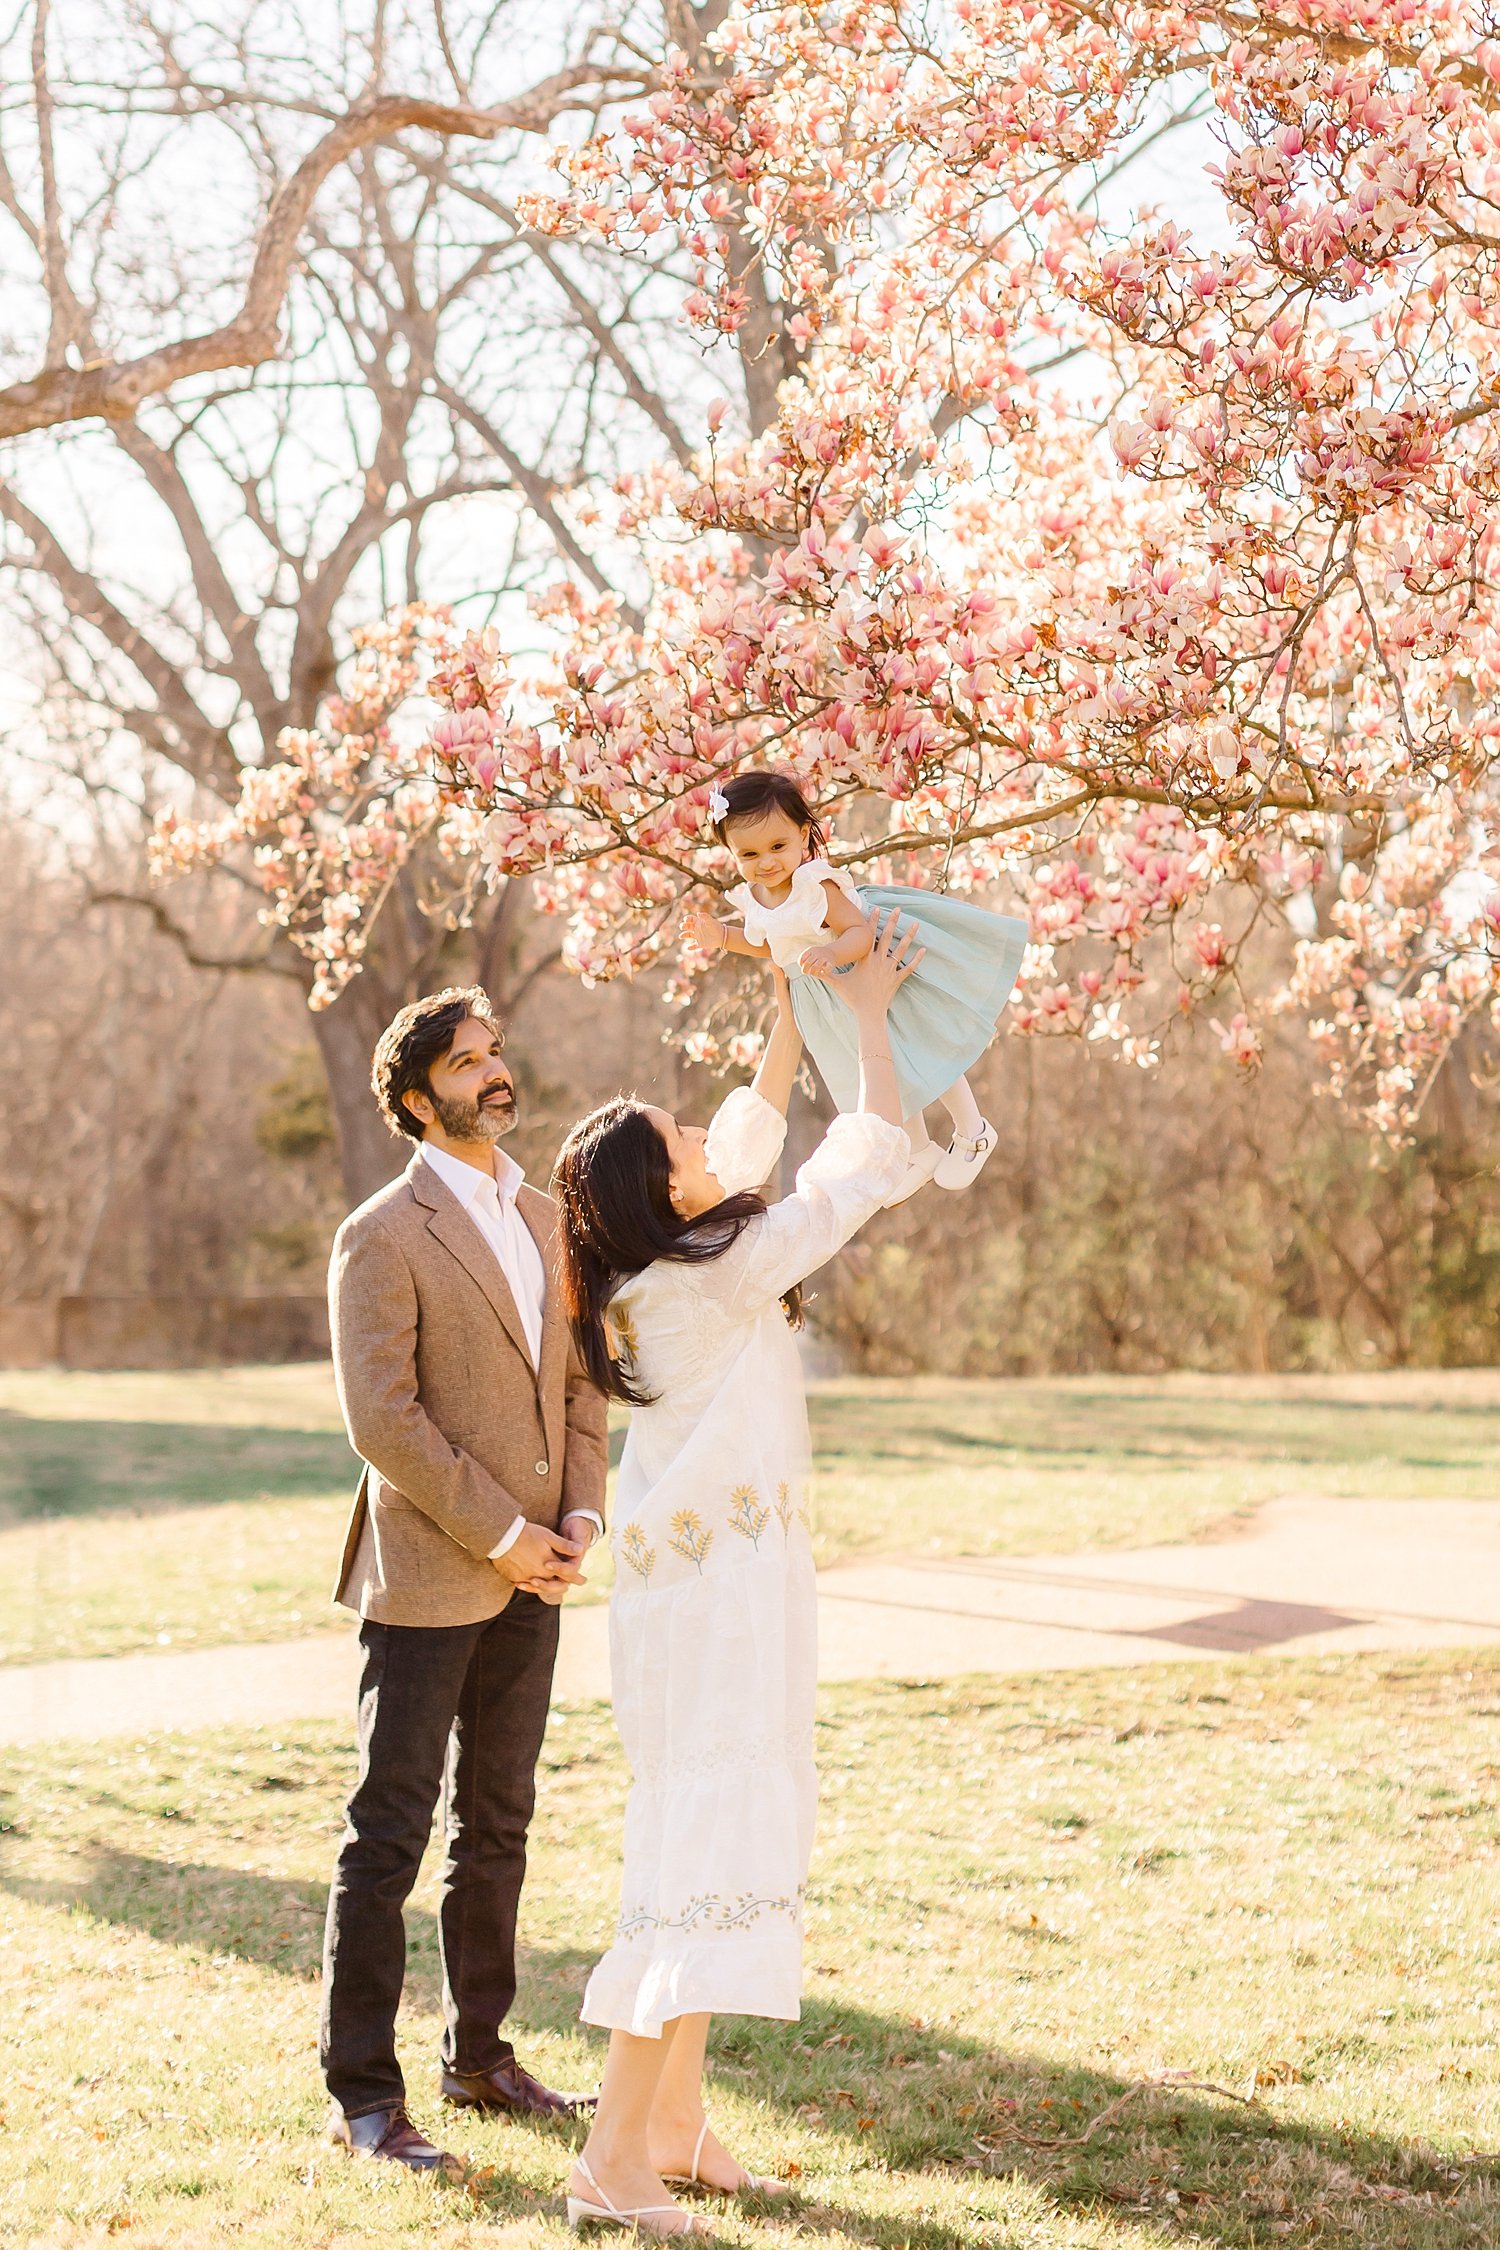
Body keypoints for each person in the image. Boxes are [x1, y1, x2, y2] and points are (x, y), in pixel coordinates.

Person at [548, 914, 921, 2236]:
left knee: (704, 1834)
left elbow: (753, 1142)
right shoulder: (714, 1278)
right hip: (713, 1608)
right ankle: (611, 2158)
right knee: (697, 1851)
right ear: (665, 1192)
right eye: (681, 1144)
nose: (707, 1140)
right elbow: (857, 1167)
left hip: (711, 1595)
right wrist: (866, 1016)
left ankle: (673, 2122)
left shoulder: (665, 1270)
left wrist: (784, 1003)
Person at [320, 986, 609, 2177]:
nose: (494, 1074)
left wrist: (580, 1510)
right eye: (467, 1062)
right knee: (388, 1836)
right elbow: (382, 1421)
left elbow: (586, 1377)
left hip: (541, 1571)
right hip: (433, 1574)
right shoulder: (381, 1235)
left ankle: (479, 2055)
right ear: (414, 1097)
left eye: (495, 1053)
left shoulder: (550, 1217)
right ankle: (364, 2100)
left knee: (498, 1824)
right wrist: (500, 1532)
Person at [681, 767, 1028, 1202]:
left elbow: (859, 933)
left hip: (868, 969)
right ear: (730, 853)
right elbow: (774, 947)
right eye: (748, 855)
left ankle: (974, 1129)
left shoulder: (815, 888)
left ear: (805, 836)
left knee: (917, 1050)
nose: (766, 862)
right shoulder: (755, 897)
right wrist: (724, 938)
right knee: (883, 1068)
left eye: (777, 846)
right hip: (826, 995)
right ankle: (917, 1151)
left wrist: (832, 954)